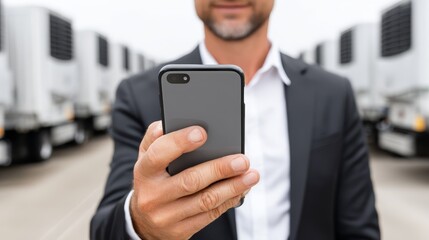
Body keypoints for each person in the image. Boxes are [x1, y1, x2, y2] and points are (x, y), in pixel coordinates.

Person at [90, 0, 380, 239]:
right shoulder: (140, 95)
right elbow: (103, 230)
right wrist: (140, 221)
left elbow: (359, 227)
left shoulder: (333, 93)